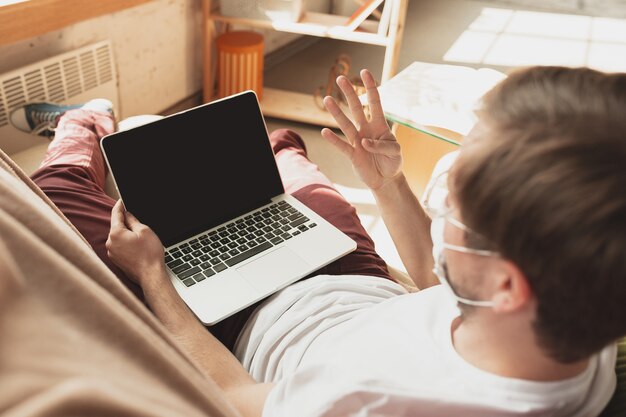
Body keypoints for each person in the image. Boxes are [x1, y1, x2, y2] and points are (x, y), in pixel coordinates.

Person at [15, 66, 625, 417]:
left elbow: (232, 394)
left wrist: (154, 276)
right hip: (358, 274)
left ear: (509, 282)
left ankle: (82, 120)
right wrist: (388, 185)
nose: (443, 195)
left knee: (56, 187)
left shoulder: (371, 401)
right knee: (279, 151)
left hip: (245, 320)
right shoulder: (578, 324)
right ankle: (276, 149)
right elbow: (442, 285)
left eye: (455, 201)